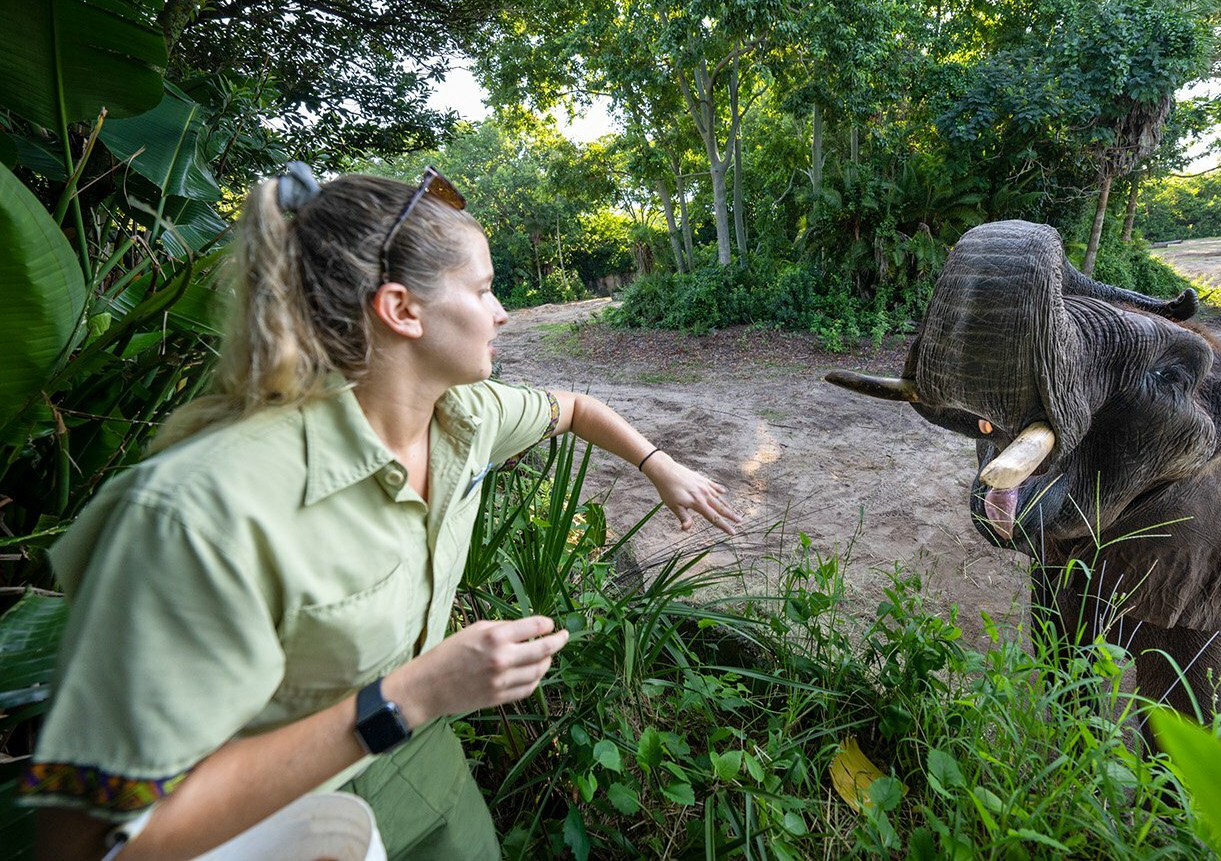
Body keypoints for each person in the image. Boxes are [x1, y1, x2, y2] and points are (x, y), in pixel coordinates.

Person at [21, 163, 740, 860]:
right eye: (486, 289)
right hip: (261, 813)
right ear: (402, 309)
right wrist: (412, 695)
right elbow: (98, 841)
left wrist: (659, 465)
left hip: (417, 758)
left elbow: (576, 407)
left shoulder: (465, 414)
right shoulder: (202, 513)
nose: (503, 311)